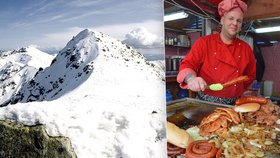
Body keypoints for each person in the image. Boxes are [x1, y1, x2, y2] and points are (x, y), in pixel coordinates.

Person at [177, 0, 256, 105]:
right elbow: (187, 64)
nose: (235, 23)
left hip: (234, 104)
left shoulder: (246, 48)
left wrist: (239, 90)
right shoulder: (204, 42)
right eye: (231, 18)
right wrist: (191, 79)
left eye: (239, 21)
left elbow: (250, 76)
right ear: (222, 20)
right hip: (205, 103)